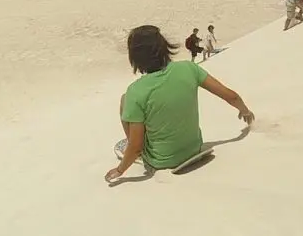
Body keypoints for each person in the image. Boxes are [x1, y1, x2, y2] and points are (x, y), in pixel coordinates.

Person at [105, 25, 255, 182]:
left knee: (124, 100)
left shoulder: (135, 92)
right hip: (195, 149)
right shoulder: (189, 68)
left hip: (162, 161)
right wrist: (245, 111)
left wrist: (119, 170)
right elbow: (231, 97)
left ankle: (144, 152)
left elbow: (135, 146)